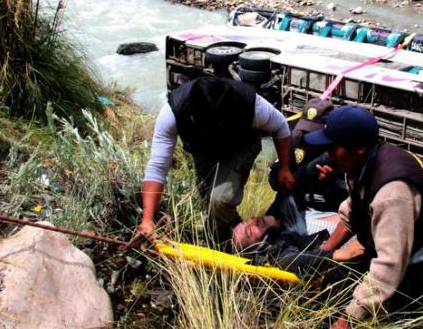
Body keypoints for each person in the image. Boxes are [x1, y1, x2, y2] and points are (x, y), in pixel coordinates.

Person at [305, 105, 423, 328]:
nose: (329, 154)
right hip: (405, 260)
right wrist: (323, 255)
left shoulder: (392, 193)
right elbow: (352, 212)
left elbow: (389, 266)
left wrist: (348, 318)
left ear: (360, 148)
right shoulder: (363, 164)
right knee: (333, 282)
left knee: (371, 318)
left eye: (335, 147)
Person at [136, 76, 295, 242]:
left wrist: (285, 168)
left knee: (220, 200)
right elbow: (157, 168)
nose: (213, 128)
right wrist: (147, 220)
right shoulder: (172, 113)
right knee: (209, 200)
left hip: (240, 146)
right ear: (192, 115)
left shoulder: (252, 105)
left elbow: (281, 126)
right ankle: (247, 240)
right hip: (203, 150)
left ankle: (215, 244)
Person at [231, 193, 364, 275]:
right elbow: (292, 260)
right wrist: (337, 254)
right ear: (259, 247)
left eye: (246, 221)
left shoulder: (282, 212)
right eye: (248, 231)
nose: (251, 222)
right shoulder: (281, 247)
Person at [268, 98, 347, 213]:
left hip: (326, 210)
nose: (307, 133)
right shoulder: (295, 138)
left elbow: (352, 199)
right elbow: (274, 178)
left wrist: (332, 181)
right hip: (293, 202)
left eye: (315, 130)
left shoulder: (341, 150)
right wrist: (284, 175)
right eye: (306, 127)